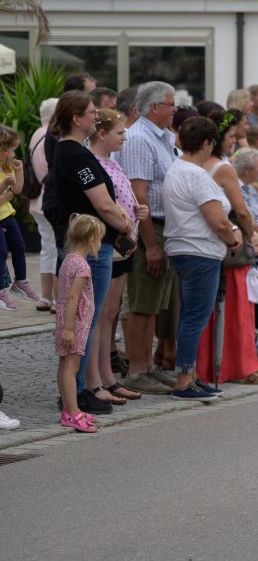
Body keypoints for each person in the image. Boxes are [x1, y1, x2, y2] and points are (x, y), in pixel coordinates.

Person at [49, 92, 133, 415]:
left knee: (91, 316)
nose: (94, 118)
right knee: (86, 317)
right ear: (76, 118)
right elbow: (100, 202)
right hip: (90, 247)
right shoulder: (73, 154)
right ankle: (78, 390)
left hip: (96, 243)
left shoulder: (77, 152)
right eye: (89, 113)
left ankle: (83, 386)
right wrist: (122, 221)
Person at [196, 109, 258, 388]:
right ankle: (243, 366)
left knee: (209, 310)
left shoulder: (197, 165)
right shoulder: (224, 168)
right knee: (237, 311)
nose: (234, 142)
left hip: (204, 244)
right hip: (230, 246)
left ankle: (210, 365)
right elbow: (241, 210)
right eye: (231, 136)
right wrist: (251, 234)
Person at [163, 116, 242, 401]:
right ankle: (184, 379)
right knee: (195, 316)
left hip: (185, 248)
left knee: (191, 314)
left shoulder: (177, 169)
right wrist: (234, 238)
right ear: (207, 143)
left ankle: (191, 375)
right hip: (199, 250)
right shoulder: (196, 175)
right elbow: (217, 221)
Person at [119, 82, 180, 396]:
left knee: (155, 302)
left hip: (164, 226)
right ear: (155, 107)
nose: (175, 109)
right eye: (171, 104)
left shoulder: (163, 137)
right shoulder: (140, 138)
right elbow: (136, 196)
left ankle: (148, 366)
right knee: (142, 304)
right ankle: (137, 369)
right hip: (149, 227)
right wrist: (151, 244)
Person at [88, 109, 147, 406]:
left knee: (110, 314)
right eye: (120, 133)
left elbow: (124, 197)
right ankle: (98, 378)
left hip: (125, 242)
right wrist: (125, 221)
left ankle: (108, 378)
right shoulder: (94, 164)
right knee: (101, 314)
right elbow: (105, 205)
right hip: (111, 242)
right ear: (101, 134)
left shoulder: (112, 163)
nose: (125, 137)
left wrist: (137, 212)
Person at [56, 215, 106, 433]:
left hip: (67, 322)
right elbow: (73, 298)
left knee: (64, 365)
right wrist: (68, 329)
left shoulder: (68, 260)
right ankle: (74, 412)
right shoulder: (82, 267)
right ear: (92, 240)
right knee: (71, 367)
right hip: (75, 324)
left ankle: (68, 410)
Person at [0, 126, 40, 310]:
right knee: (1, 253)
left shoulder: (6, 165)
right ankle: (1, 291)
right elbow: (8, 193)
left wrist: (19, 171)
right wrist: (4, 187)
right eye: (13, 149)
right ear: (3, 150)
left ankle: (20, 282)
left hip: (7, 214)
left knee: (19, 246)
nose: (15, 153)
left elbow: (17, 190)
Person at [28, 98, 58, 311]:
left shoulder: (36, 133)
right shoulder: (51, 136)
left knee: (48, 247)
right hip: (51, 199)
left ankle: (46, 297)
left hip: (37, 200)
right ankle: (56, 299)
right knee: (55, 248)